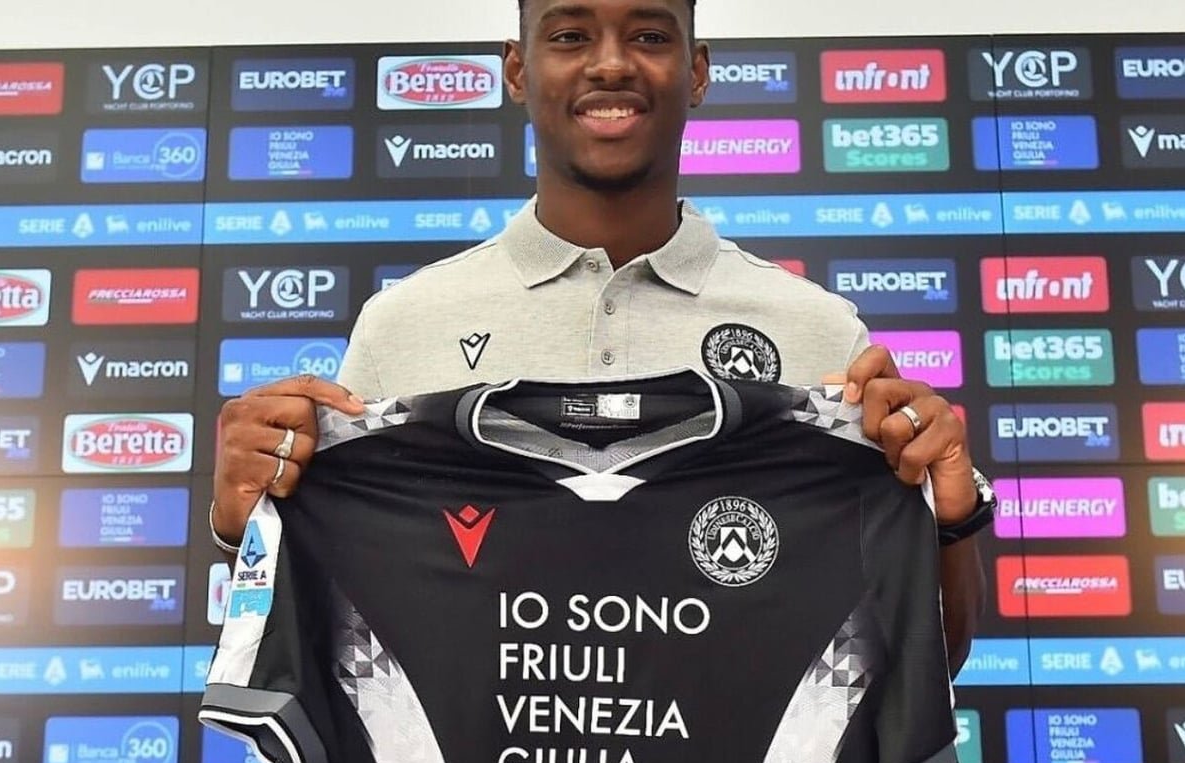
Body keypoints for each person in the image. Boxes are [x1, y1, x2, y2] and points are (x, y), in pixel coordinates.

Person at [210, 0, 989, 674]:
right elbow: (333, 641)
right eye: (570, 35)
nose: (611, 64)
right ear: (518, 70)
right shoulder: (404, 324)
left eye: (649, 36)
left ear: (697, 71)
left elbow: (916, 665)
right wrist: (251, 526)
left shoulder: (816, 330)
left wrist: (949, 523)